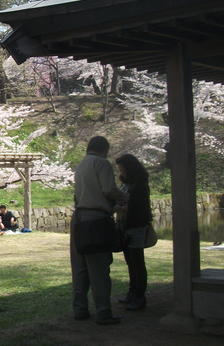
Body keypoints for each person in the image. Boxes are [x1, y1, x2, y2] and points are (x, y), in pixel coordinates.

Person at [71, 136, 127, 325]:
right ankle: (103, 312)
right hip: (96, 219)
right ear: (105, 149)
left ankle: (80, 309)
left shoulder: (81, 165)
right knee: (99, 269)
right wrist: (123, 198)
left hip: (78, 219)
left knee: (80, 268)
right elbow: (108, 189)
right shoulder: (101, 163)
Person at [115, 154, 152, 311]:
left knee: (137, 262)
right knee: (130, 262)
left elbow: (139, 207)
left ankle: (139, 296)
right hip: (125, 226)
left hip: (136, 227)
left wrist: (122, 208)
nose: (121, 173)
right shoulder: (127, 185)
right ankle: (132, 292)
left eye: (122, 169)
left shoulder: (140, 185)